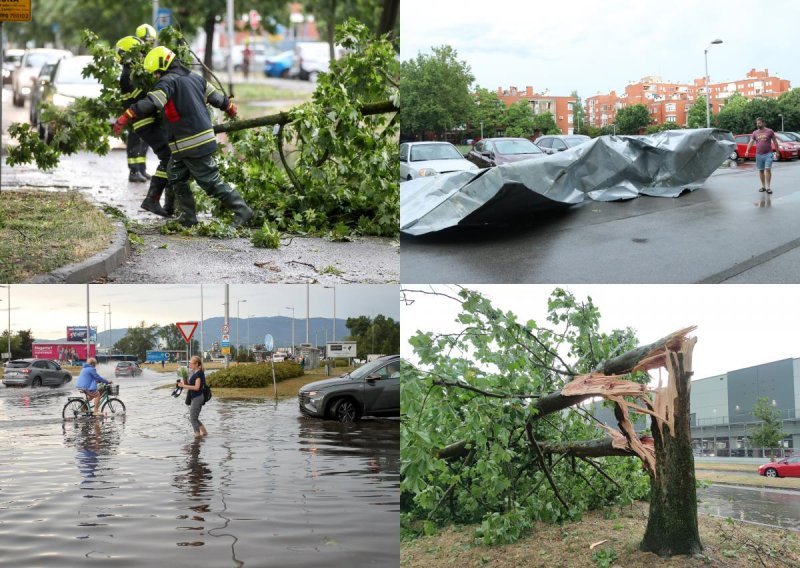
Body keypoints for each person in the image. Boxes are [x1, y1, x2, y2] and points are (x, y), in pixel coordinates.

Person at [113, 46, 254, 228]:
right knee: (175, 176)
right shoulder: (196, 78)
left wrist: (127, 115)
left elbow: (151, 102)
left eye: (156, 72)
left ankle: (243, 211)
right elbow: (218, 98)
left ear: (162, 66)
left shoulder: (167, 83)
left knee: (210, 181)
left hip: (192, 142)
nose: (155, 76)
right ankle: (188, 218)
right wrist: (230, 108)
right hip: (185, 144)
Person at [115, 35, 174, 217]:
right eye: (140, 52)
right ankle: (152, 197)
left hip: (148, 120)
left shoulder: (133, 72)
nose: (142, 56)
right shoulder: (129, 76)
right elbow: (144, 99)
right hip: (143, 121)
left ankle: (163, 202)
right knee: (169, 157)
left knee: (170, 157)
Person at [744, 117, 781, 194]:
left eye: (759, 123)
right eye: (757, 123)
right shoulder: (755, 133)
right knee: (761, 170)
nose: (758, 124)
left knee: (767, 169)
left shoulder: (770, 131)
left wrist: (777, 152)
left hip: (768, 154)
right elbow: (751, 142)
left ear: (764, 123)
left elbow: (775, 142)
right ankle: (763, 187)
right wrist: (747, 150)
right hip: (759, 154)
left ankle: (768, 187)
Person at [176, 355, 208, 438]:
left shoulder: (198, 374)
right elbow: (192, 385)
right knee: (195, 418)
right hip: (196, 397)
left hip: (197, 398)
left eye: (191, 363)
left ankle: (197, 437)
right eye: (189, 363)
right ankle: (204, 433)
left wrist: (184, 386)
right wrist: (184, 381)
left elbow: (197, 388)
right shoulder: (197, 373)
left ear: (196, 364)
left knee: (193, 418)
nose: (189, 365)